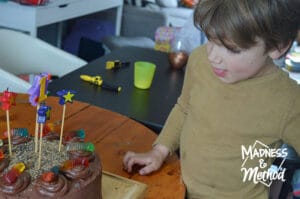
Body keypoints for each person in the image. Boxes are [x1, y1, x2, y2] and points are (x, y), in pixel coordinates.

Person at [123, 0, 300, 198]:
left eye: (231, 48)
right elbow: (184, 108)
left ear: (278, 45)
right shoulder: (199, 60)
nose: (213, 56)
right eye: (210, 38)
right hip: (179, 187)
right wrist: (159, 151)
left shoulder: (289, 100)